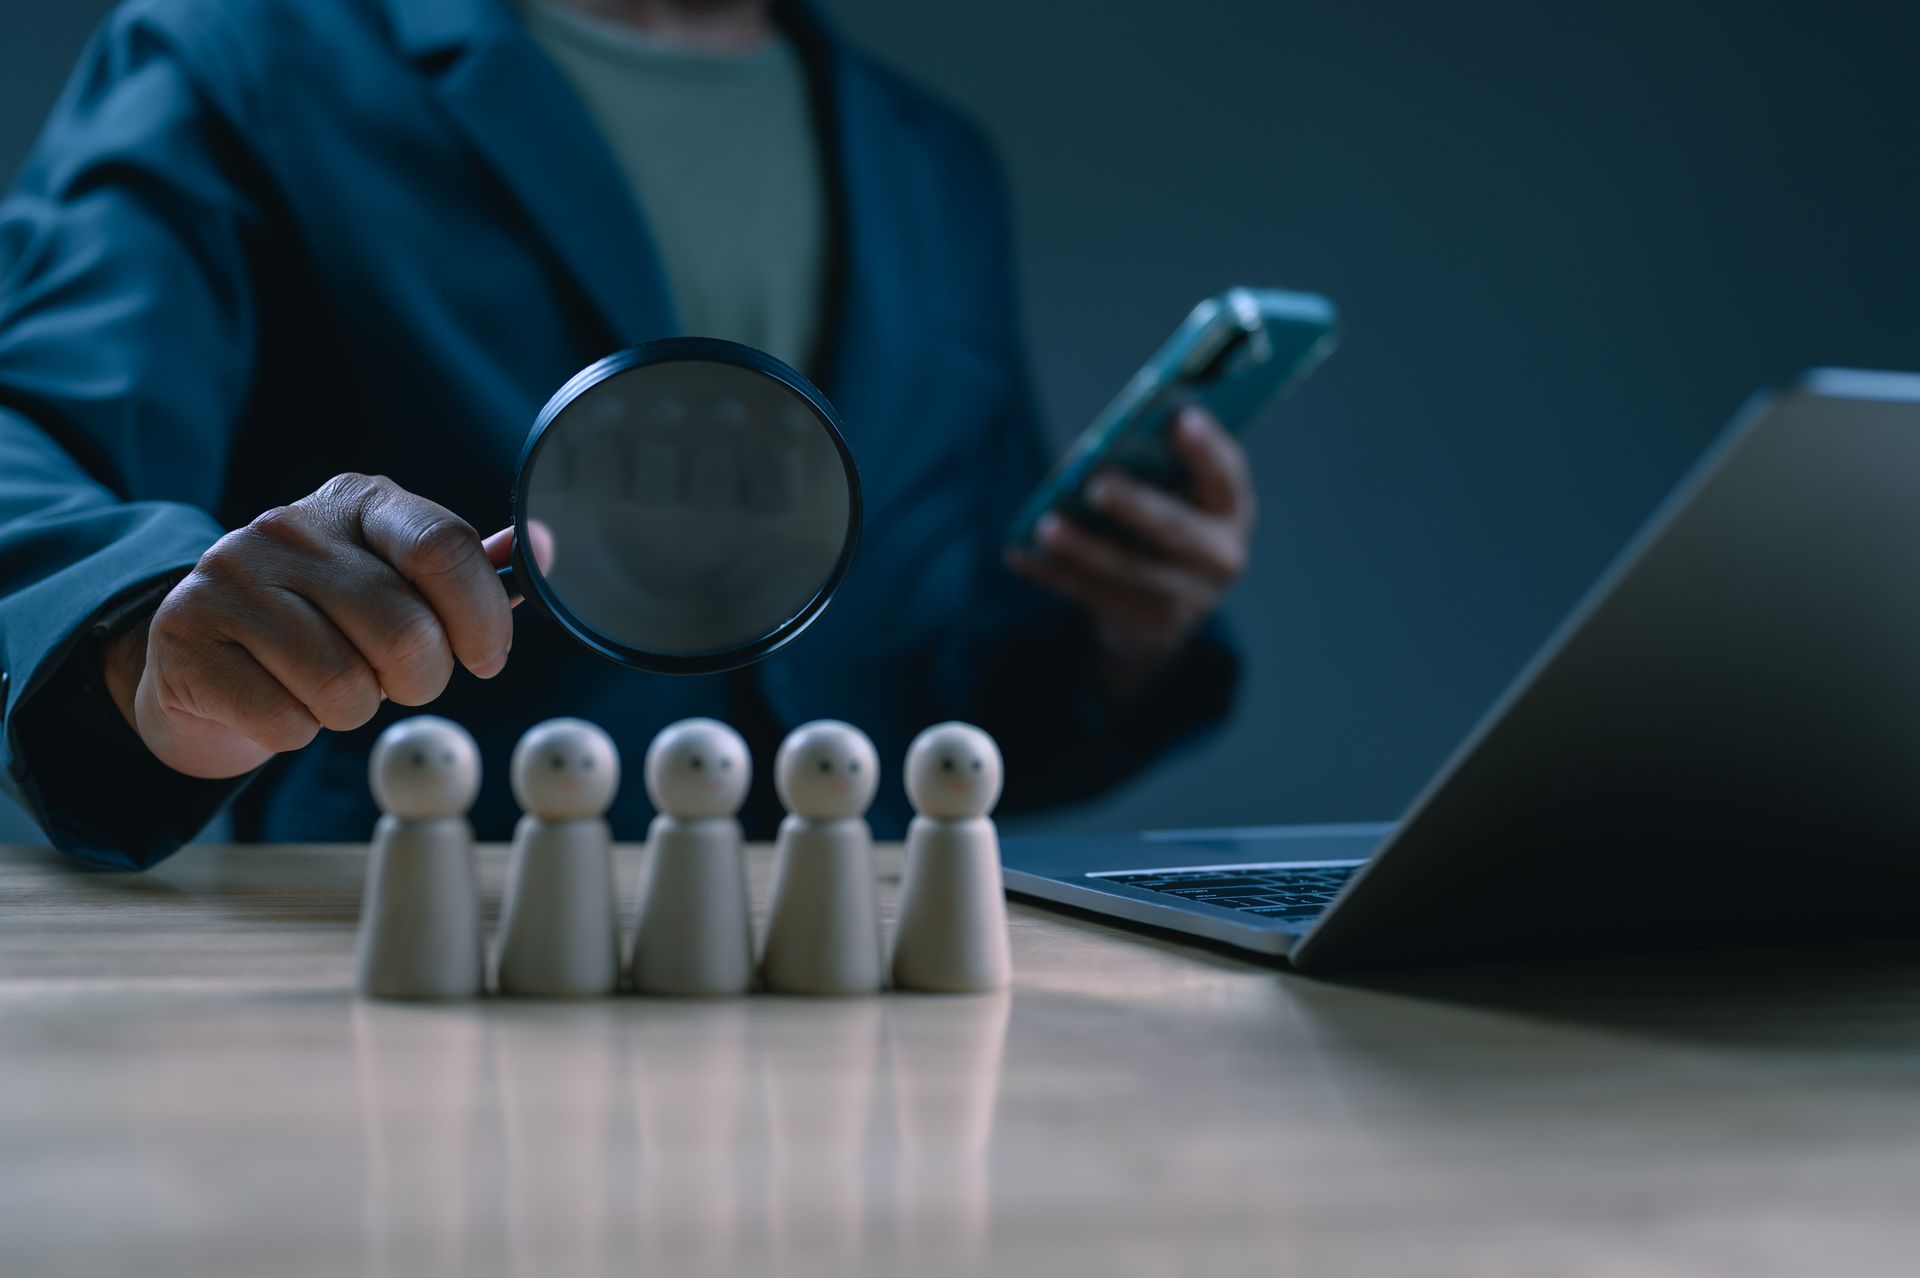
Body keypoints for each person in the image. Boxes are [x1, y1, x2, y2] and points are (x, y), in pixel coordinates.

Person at [0, 0, 1253, 867]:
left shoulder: (932, 161)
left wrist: (1118, 636)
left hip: (853, 980)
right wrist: (149, 631)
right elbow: (25, 443)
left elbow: (934, 663)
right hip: (427, 941)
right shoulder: (251, 51)